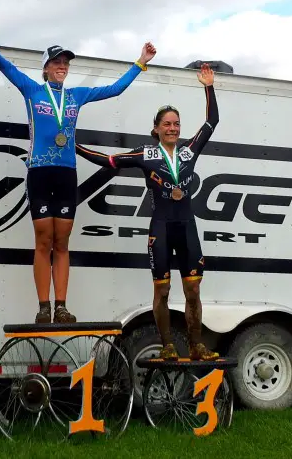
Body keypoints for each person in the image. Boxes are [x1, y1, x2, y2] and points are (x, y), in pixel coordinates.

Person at [0, 3, 156, 324]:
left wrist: (140, 62)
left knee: (62, 242)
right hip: (40, 173)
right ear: (45, 68)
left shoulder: (76, 95)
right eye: (56, 61)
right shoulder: (31, 90)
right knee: (43, 240)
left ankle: (62, 307)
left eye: (66, 61)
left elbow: (115, 89)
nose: (62, 65)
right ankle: (43, 307)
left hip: (67, 174)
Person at [75, 63, 220, 361]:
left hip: (186, 225)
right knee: (163, 291)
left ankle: (196, 346)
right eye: (167, 124)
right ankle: (167, 345)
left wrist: (208, 86)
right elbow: (109, 161)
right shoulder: (146, 153)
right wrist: (73, 146)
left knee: (193, 291)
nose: (173, 128)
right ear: (156, 129)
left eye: (177, 123)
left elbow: (212, 120)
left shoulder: (189, 151)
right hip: (161, 227)